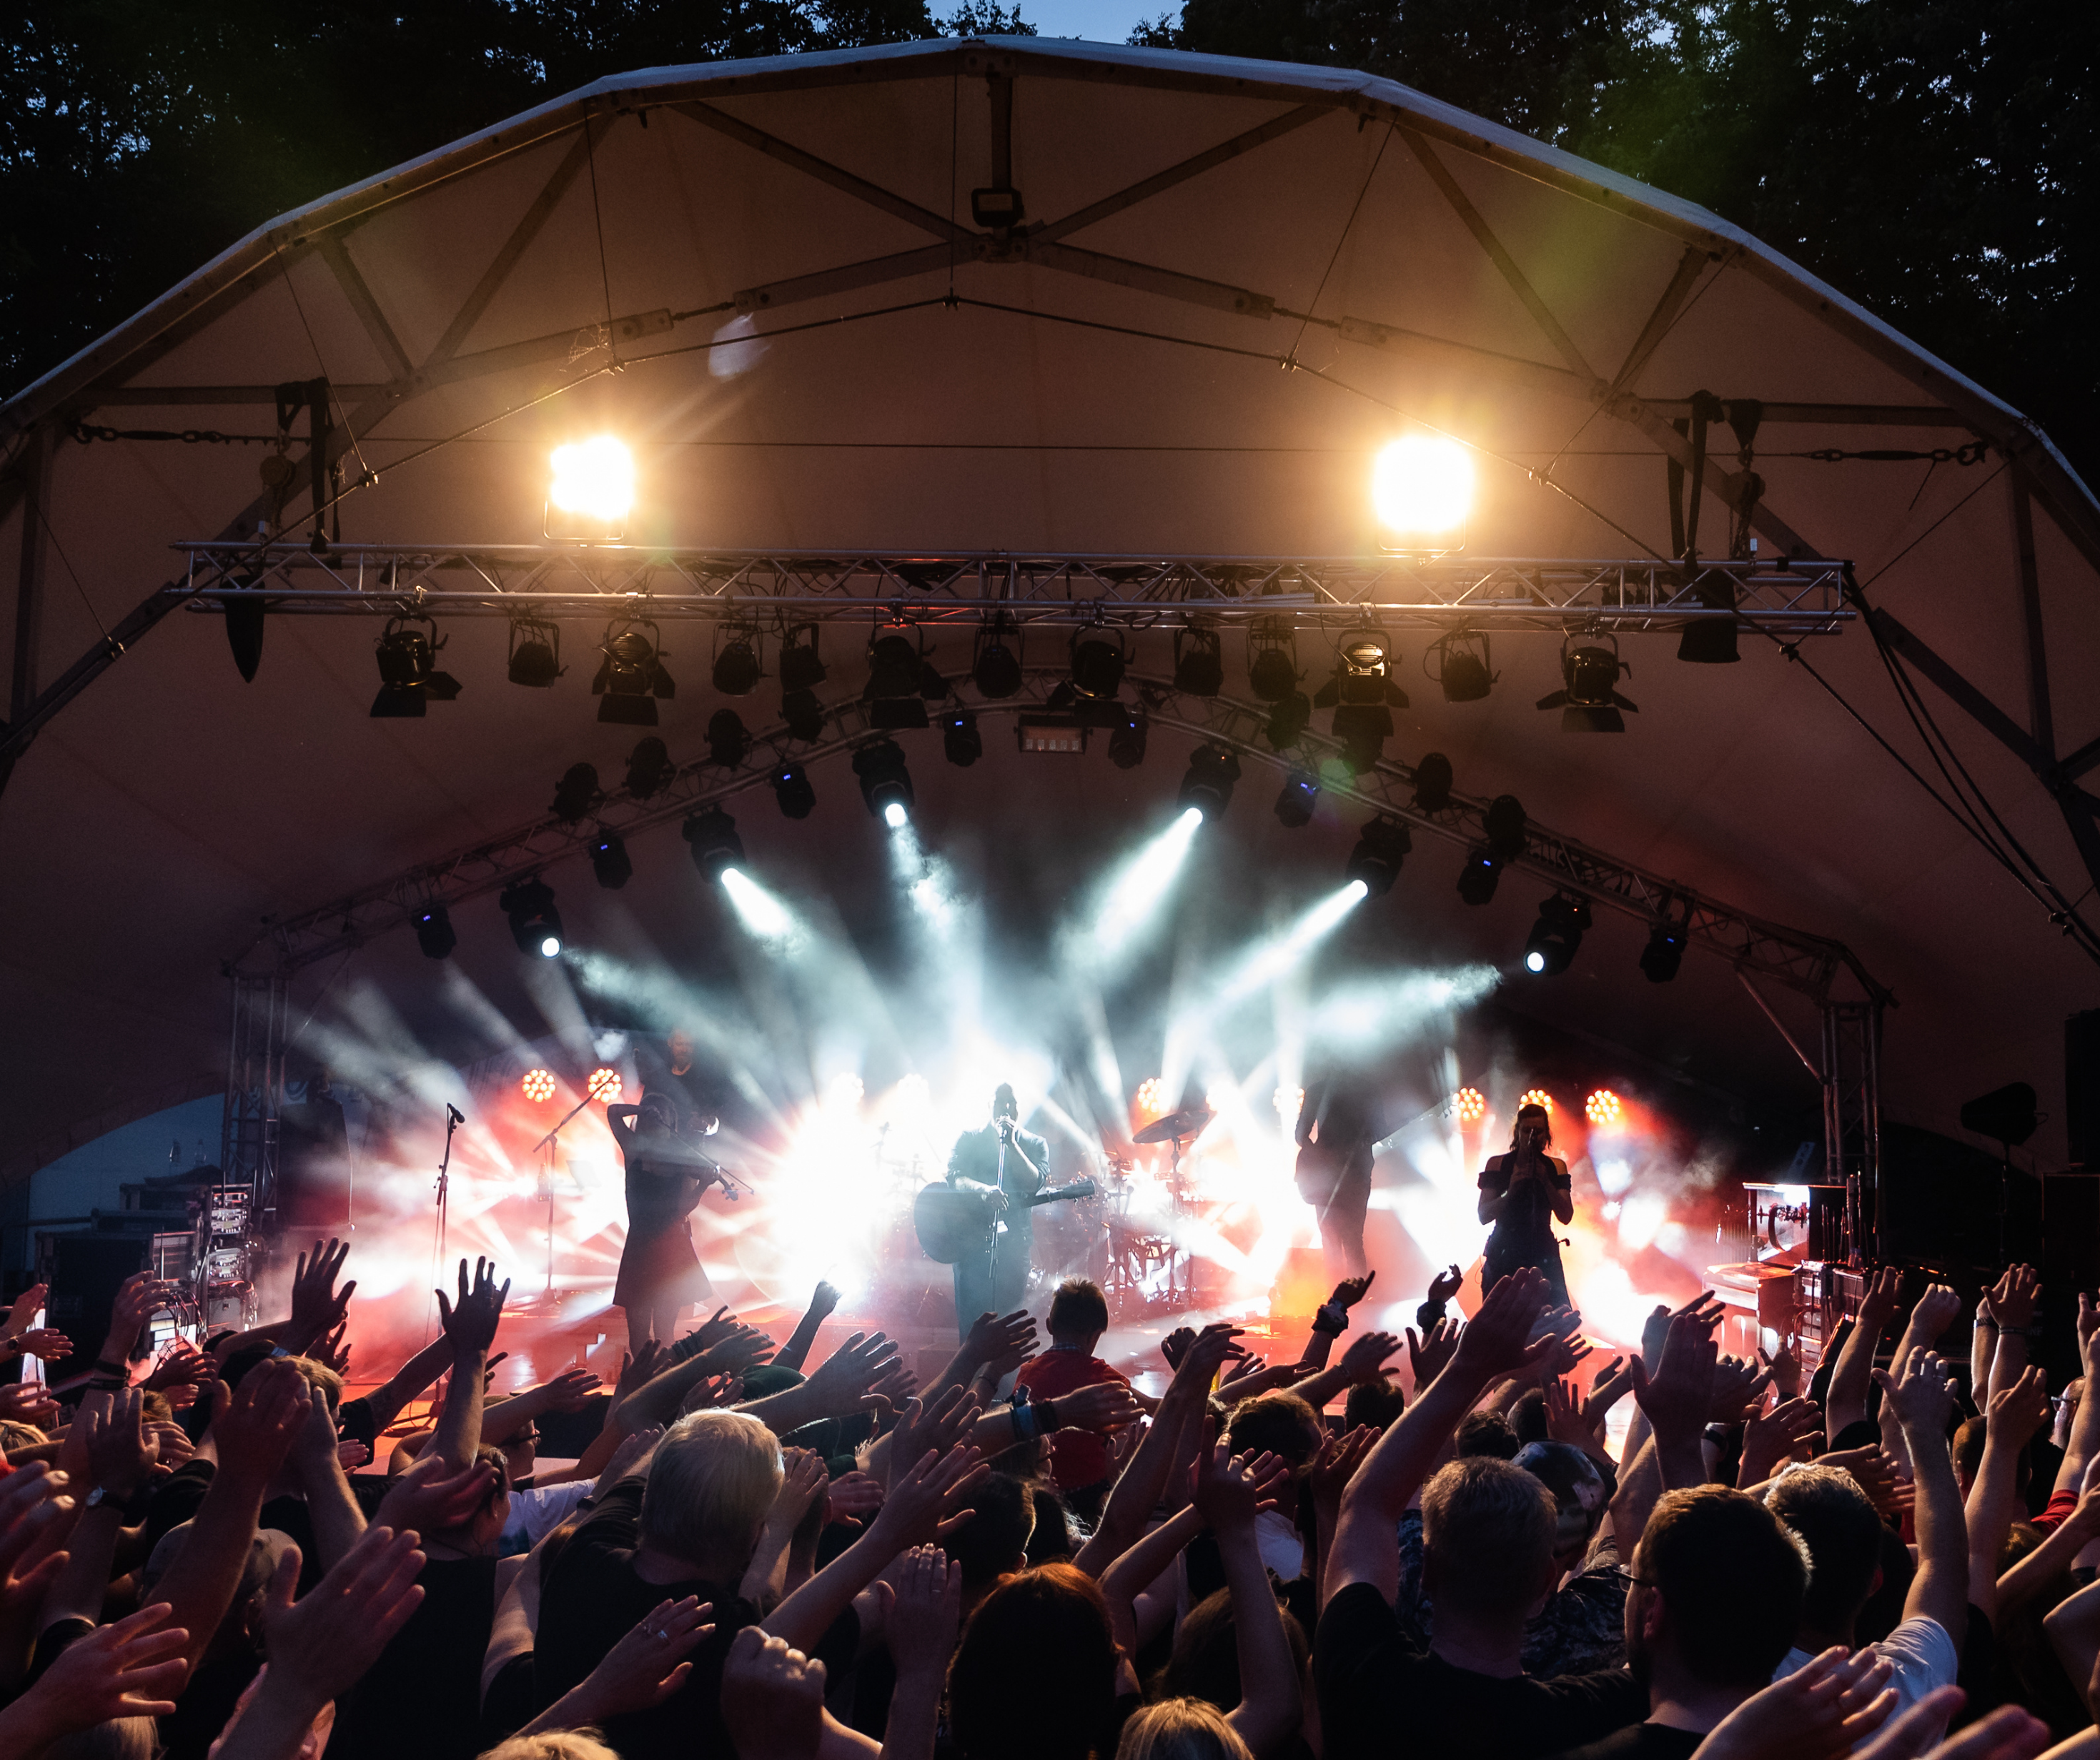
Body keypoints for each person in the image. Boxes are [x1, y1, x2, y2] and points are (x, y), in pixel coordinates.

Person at [1014, 1279, 1136, 1521]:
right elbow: (1145, 1411)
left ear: (1049, 1326)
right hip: (1089, 1494)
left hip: (1037, 1493)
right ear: (1096, 1335)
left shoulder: (1026, 1373)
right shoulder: (1105, 1377)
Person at [606, 1093, 721, 1346]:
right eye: (651, 1111)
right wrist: (640, 1109)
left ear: (672, 1120)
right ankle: (643, 1372)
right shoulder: (634, 1148)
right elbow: (613, 1112)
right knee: (638, 1333)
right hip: (639, 1246)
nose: (656, 1115)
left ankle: (665, 1373)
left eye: (662, 1112)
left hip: (671, 1248)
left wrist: (703, 1185)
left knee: (664, 1332)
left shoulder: (681, 1157)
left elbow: (684, 1208)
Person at [946, 1084, 1051, 1336]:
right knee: (972, 1328)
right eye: (1000, 1102)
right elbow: (954, 1177)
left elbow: (1034, 1183)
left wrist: (1012, 1144)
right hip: (971, 1248)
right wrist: (983, 1191)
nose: (1006, 1108)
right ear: (989, 1106)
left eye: (1011, 1102)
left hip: (1014, 1248)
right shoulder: (969, 1139)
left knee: (1009, 1326)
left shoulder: (1035, 1144)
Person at [1478, 1103, 1573, 1305]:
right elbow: (1484, 1215)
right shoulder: (1497, 1164)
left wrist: (1546, 1182)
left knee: (1553, 1315)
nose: (1532, 1136)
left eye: (1537, 1131)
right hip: (1504, 1251)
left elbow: (1566, 1216)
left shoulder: (1556, 1167)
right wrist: (1511, 1190)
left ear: (1546, 1134)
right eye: (1526, 1130)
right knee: (1501, 1314)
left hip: (1543, 1251)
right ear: (1517, 1132)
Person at [1294, 1072, 1383, 1280]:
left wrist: (1316, 1155)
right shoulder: (1367, 1087)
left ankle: (1336, 1294)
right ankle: (1358, 1294)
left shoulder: (1318, 1089)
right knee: (1354, 1241)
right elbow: (1380, 1131)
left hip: (1326, 1176)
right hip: (1357, 1173)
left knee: (1330, 1240)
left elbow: (1300, 1134)